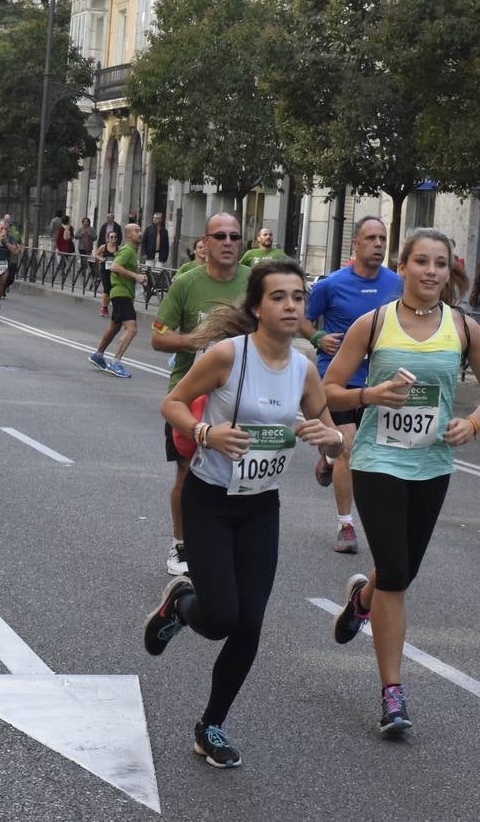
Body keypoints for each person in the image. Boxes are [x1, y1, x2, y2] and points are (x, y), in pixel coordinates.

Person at [144, 259, 345, 768]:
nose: (291, 305)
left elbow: (332, 432)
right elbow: (172, 404)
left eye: (298, 297)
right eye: (278, 297)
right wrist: (207, 433)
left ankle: (211, 725)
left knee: (249, 624)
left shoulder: (303, 368)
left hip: (261, 507)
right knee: (220, 619)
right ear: (257, 307)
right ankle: (181, 607)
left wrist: (331, 440)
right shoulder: (227, 355)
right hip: (210, 500)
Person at [323, 228, 480, 738]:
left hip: (432, 465)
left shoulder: (464, 329)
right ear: (402, 268)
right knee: (397, 573)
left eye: (440, 264)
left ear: (450, 272)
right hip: (378, 460)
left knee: (399, 570)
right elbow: (330, 388)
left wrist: (472, 424)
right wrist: (371, 395)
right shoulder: (374, 323)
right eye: (421, 261)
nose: (430, 271)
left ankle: (362, 601)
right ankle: (392, 694)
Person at [152, 212, 251, 575]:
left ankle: (226, 542)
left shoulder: (253, 283)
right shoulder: (186, 283)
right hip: (190, 395)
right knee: (186, 473)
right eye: (220, 236)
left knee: (239, 475)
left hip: (241, 394)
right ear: (205, 243)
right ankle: (181, 545)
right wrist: (194, 340)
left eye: (235, 236)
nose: (228, 242)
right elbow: (158, 336)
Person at [299, 216, 403, 553]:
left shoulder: (396, 284)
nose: (378, 244)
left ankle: (326, 459)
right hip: (339, 383)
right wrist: (317, 336)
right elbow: (302, 317)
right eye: (371, 238)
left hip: (380, 386)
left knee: (369, 455)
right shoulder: (331, 284)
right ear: (354, 244)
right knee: (348, 448)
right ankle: (346, 526)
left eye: (382, 239)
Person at [89, 223, 146, 378]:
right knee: (132, 329)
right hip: (121, 293)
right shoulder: (127, 250)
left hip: (122, 292)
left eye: (140, 230)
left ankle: (98, 355)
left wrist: (139, 276)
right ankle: (116, 363)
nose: (139, 233)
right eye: (136, 231)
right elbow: (114, 266)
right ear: (128, 235)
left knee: (115, 326)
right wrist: (136, 276)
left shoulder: (131, 252)